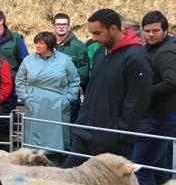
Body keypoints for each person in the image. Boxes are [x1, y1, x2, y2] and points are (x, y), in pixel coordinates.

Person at [64, 9, 152, 167]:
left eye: (98, 33)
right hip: (85, 131)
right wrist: (82, 119)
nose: (94, 38)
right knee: (69, 182)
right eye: (92, 33)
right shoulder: (100, 52)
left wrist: (119, 134)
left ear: (113, 29)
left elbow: (137, 102)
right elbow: (92, 89)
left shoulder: (136, 57)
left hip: (112, 140)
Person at [15, 31, 80, 159]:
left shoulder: (65, 60)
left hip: (57, 103)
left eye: (41, 43)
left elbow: (75, 80)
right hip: (35, 103)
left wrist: (67, 99)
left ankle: (56, 160)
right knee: (34, 137)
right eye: (36, 43)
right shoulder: (28, 60)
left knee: (56, 136)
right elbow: (19, 80)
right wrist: (26, 98)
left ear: (49, 44)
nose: (37, 46)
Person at [132, 11, 176, 185]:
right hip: (159, 116)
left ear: (165, 30)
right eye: (147, 31)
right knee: (157, 169)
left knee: (141, 168)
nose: (150, 34)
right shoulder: (153, 48)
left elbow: (171, 82)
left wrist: (142, 94)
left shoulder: (167, 51)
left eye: (155, 31)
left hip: (159, 117)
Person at [0, 10, 28, 120]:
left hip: (9, 85)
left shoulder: (16, 39)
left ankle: (4, 136)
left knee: (5, 118)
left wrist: (19, 80)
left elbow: (25, 62)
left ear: (1, 21)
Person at [52, 13, 89, 122]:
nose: (61, 27)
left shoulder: (78, 46)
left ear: (69, 26)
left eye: (64, 24)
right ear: (53, 26)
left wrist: (69, 88)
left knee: (68, 128)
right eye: (58, 24)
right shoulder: (47, 44)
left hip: (69, 96)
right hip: (49, 94)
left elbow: (83, 71)